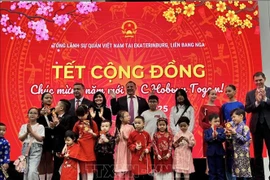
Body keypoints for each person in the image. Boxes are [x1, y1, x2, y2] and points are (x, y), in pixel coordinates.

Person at [245, 72, 270, 180]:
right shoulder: (250, 94)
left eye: (260, 80)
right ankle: (259, 177)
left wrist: (264, 99)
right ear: (254, 81)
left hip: (269, 126)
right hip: (256, 127)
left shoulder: (269, 91)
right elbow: (247, 108)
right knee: (257, 153)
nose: (258, 82)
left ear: (264, 79)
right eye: (256, 80)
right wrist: (256, 102)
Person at [221, 85, 245, 180]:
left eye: (229, 91)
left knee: (239, 156)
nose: (227, 93)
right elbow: (223, 122)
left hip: (239, 135)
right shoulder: (224, 106)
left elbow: (244, 120)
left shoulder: (240, 105)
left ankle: (242, 177)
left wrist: (241, 132)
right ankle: (231, 177)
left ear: (235, 91)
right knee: (229, 156)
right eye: (226, 91)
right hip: (229, 135)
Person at [199, 89, 223, 174]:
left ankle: (218, 170)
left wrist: (219, 130)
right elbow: (201, 122)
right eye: (212, 94)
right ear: (207, 95)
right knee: (208, 149)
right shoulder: (204, 107)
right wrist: (211, 128)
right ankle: (208, 169)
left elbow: (221, 122)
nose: (214, 96)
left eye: (215, 94)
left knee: (217, 148)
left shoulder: (218, 108)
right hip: (208, 132)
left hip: (218, 133)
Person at [73, 104, 98, 180]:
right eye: (78, 116)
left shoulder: (92, 123)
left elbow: (97, 135)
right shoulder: (77, 123)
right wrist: (76, 139)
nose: (80, 117)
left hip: (90, 147)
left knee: (90, 169)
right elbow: (73, 134)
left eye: (82, 115)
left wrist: (91, 133)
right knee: (83, 170)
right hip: (81, 147)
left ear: (87, 113)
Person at [19, 107, 45, 180]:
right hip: (25, 148)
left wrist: (31, 132)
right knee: (26, 170)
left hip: (36, 148)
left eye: (35, 113)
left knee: (33, 170)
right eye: (30, 113)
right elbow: (21, 138)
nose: (32, 114)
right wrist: (27, 132)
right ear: (27, 115)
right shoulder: (24, 126)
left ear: (38, 116)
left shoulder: (40, 126)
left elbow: (40, 139)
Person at [51, 99, 74, 180]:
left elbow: (67, 131)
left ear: (61, 108)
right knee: (56, 169)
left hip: (63, 147)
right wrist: (53, 126)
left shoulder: (69, 117)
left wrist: (58, 124)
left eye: (57, 105)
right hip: (56, 147)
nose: (55, 107)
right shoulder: (55, 117)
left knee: (63, 168)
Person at [226, 108, 252, 180]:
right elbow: (231, 140)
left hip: (243, 154)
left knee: (244, 175)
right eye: (232, 117)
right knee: (237, 175)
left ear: (241, 116)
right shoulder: (234, 127)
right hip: (235, 154)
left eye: (234, 117)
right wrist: (228, 135)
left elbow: (245, 139)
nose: (233, 119)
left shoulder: (245, 127)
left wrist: (235, 133)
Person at [37, 92, 54, 180]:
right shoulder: (37, 112)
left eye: (50, 98)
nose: (49, 99)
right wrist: (40, 114)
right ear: (42, 100)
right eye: (46, 98)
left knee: (49, 159)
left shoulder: (54, 111)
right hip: (40, 138)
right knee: (41, 160)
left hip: (51, 139)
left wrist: (51, 114)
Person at [204, 113, 226, 180]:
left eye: (218, 121)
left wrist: (217, 136)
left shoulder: (221, 130)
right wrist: (212, 137)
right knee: (212, 171)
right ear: (210, 122)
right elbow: (206, 139)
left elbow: (223, 138)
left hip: (219, 153)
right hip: (211, 153)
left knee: (220, 170)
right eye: (215, 121)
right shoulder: (207, 131)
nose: (217, 123)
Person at [114, 110, 134, 180]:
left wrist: (127, 138)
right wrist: (117, 139)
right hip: (120, 149)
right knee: (121, 165)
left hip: (128, 149)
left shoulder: (131, 127)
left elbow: (134, 139)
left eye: (129, 116)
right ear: (121, 118)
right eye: (127, 116)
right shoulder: (117, 127)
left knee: (128, 165)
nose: (129, 117)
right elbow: (115, 141)